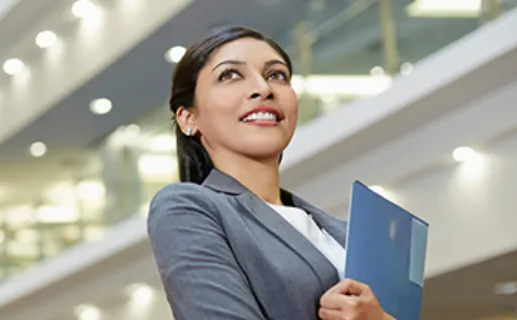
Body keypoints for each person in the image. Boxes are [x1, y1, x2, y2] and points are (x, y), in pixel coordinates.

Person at [147, 25, 395, 320]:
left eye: (276, 75)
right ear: (189, 118)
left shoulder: (346, 232)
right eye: (230, 75)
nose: (263, 88)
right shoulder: (186, 208)